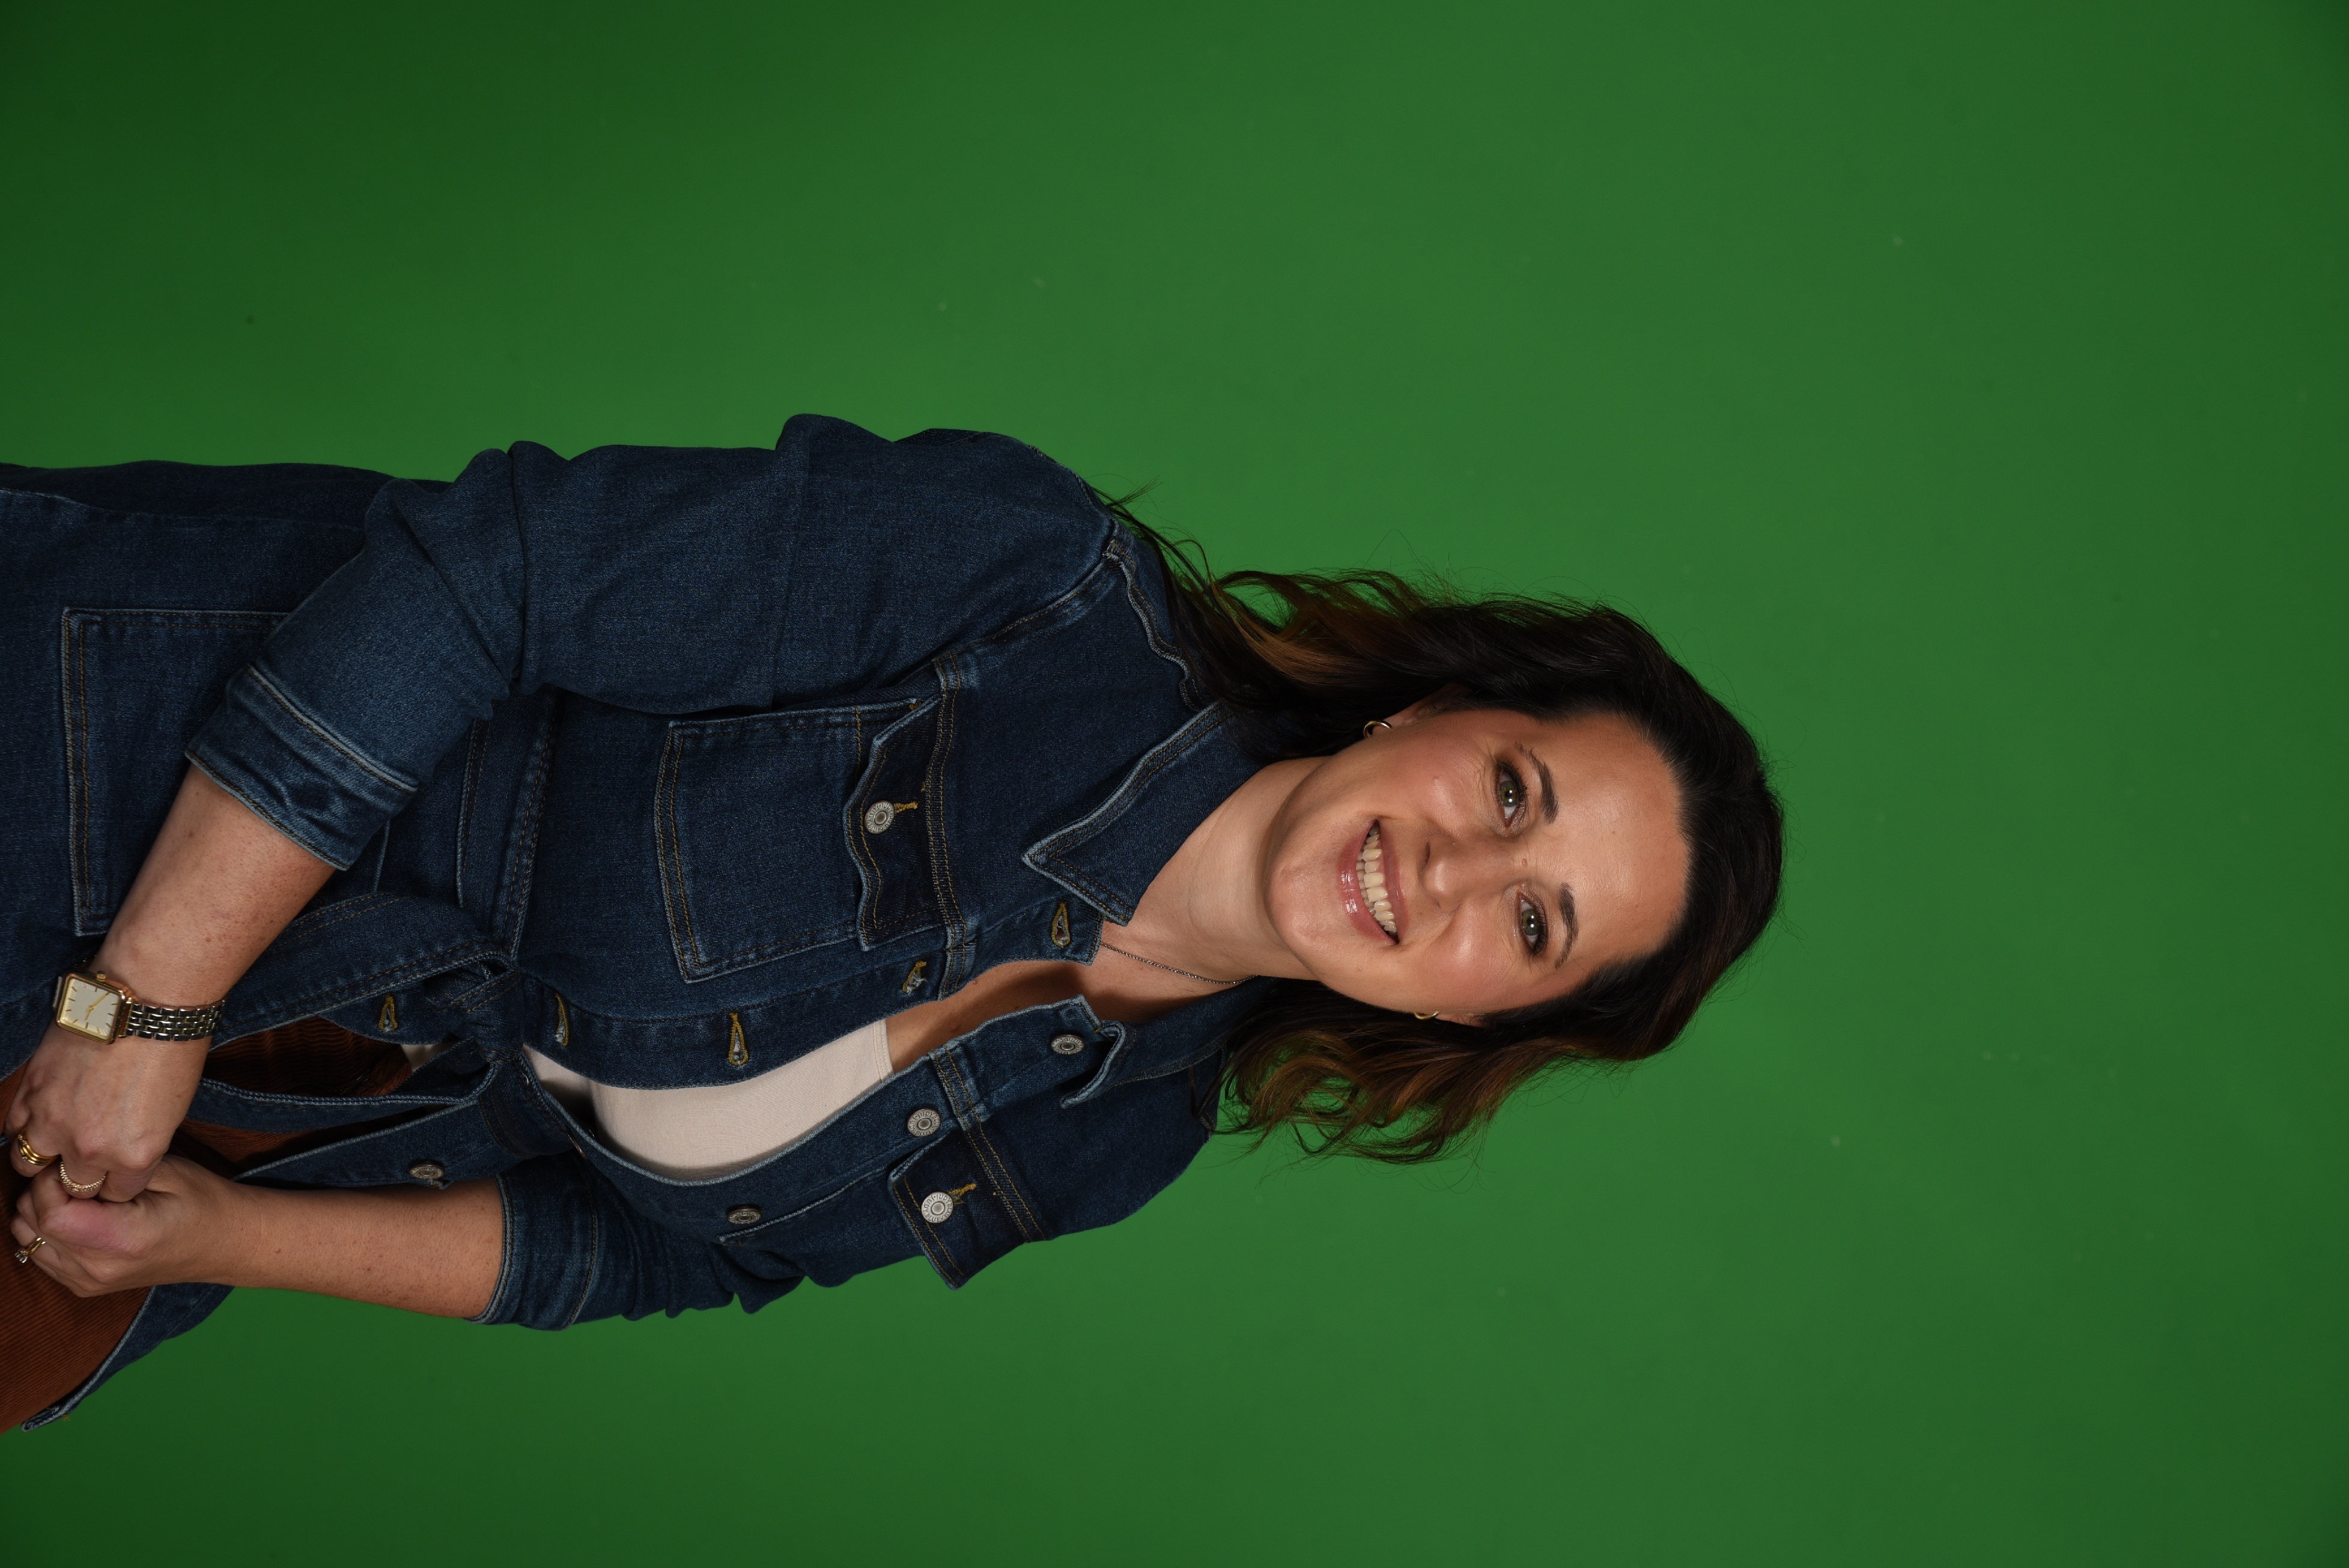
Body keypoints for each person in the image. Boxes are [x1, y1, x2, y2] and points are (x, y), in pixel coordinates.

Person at [1, 418, 1782, 1429]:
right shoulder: (1038, 592)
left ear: (1479, 1019)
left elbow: (670, 1254)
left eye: (1534, 927)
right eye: (1514, 793)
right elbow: (493, 572)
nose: (1455, 875)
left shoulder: (1119, 1130)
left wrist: (226, 1234)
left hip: (220, 1124)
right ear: (1439, 708)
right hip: (98, 777)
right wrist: (144, 1006)